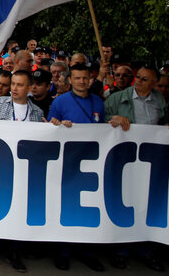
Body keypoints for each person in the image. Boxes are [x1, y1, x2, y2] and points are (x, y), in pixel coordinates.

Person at [46, 63, 106, 272]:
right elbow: (50, 127)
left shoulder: (98, 102)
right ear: (70, 80)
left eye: (85, 78)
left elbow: (105, 131)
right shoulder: (60, 102)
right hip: (67, 164)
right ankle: (63, 252)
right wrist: (56, 124)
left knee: (89, 207)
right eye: (77, 78)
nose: (82, 81)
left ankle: (88, 251)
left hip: (92, 163)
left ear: (90, 79)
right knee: (66, 207)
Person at [104, 66, 168, 130]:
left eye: (144, 79)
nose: (139, 80)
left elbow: (165, 123)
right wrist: (112, 118)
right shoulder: (116, 98)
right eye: (138, 77)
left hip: (152, 139)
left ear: (154, 84)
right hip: (126, 139)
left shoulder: (160, 100)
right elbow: (101, 118)